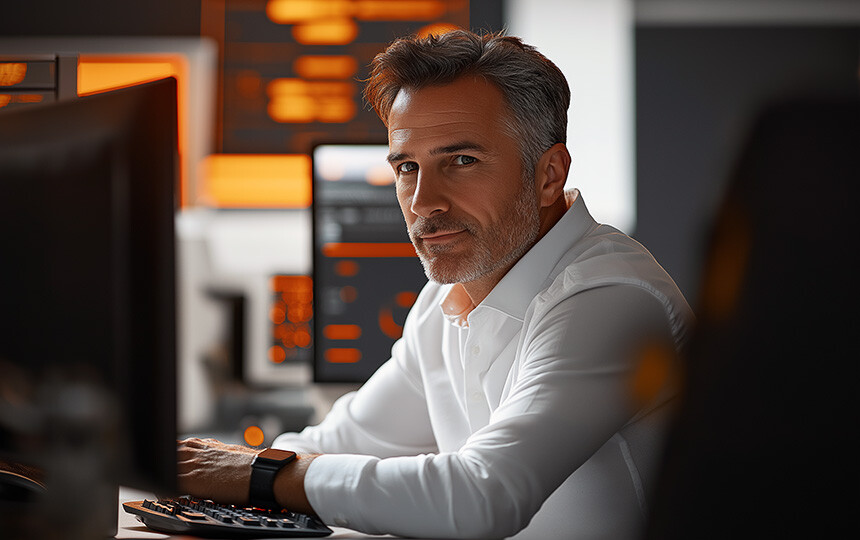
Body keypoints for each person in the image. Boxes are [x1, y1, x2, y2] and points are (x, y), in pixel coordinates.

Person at [178, 30, 694, 539]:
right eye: (407, 167)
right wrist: (210, 474)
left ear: (548, 175)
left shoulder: (609, 299)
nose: (424, 202)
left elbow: (483, 496)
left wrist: (258, 474)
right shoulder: (447, 300)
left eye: (461, 161)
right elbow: (337, 444)